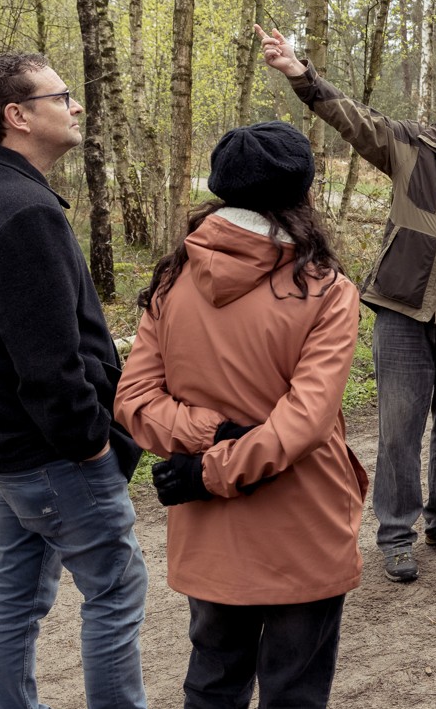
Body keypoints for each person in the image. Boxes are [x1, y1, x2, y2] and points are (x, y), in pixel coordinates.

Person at [254, 25, 436, 584]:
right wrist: (299, 72)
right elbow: (352, 117)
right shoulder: (414, 146)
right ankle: (395, 535)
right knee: (398, 429)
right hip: (402, 311)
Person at [115, 122, 367, 708]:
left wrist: (205, 449)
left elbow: (134, 400)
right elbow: (305, 422)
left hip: (211, 533)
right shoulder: (326, 290)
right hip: (303, 525)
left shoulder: (173, 278)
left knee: (213, 684)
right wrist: (220, 450)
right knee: (294, 693)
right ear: (303, 193)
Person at [0, 52, 148, 709]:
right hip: (54, 454)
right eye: (61, 96)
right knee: (115, 587)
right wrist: (94, 446)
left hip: (9, 450)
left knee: (19, 588)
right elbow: (49, 366)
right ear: (17, 116)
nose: (76, 106)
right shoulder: (22, 211)